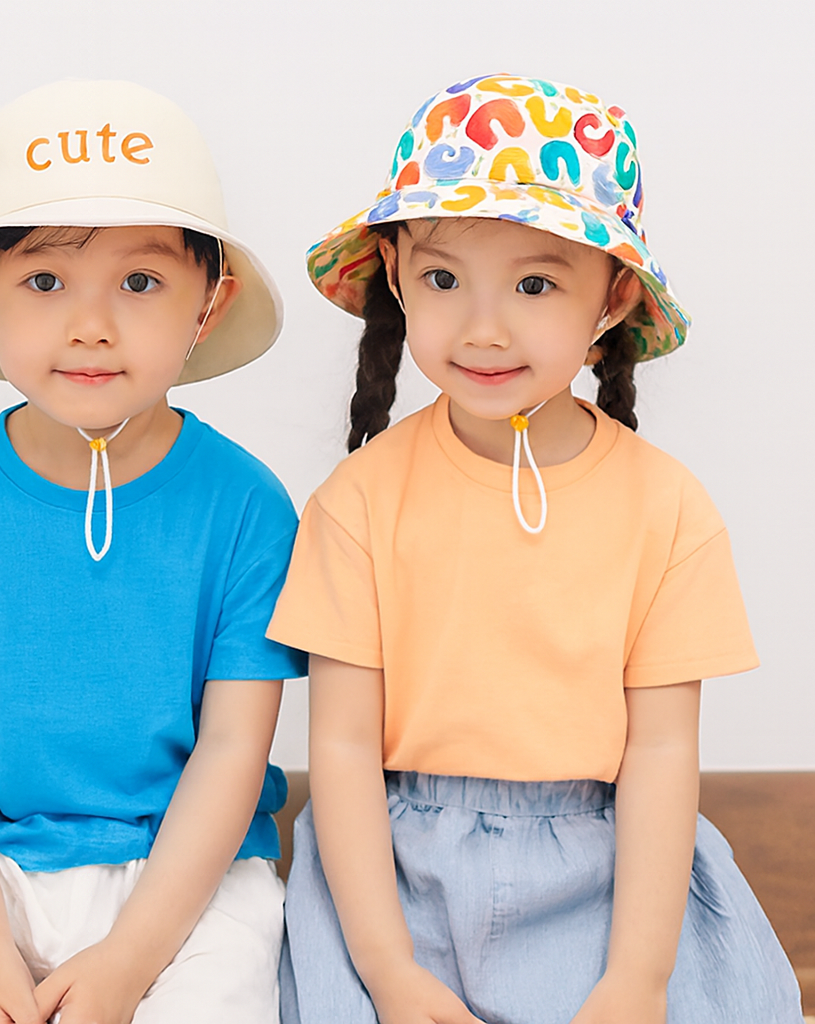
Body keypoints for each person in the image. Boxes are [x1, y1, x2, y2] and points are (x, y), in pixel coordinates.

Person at [266, 74, 804, 1024]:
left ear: (613, 299)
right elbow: (343, 749)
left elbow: (660, 752)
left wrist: (638, 978)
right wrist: (387, 968)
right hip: (397, 873)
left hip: (613, 877)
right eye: (443, 278)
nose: (482, 327)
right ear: (395, 274)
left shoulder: (666, 507)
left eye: (536, 282)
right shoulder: (356, 502)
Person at [0, 79, 305, 1024]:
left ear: (208, 306)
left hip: (192, 875)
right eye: (45, 282)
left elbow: (231, 748)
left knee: (220, 996)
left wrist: (131, 959)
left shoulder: (247, 507)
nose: (91, 326)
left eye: (140, 282)